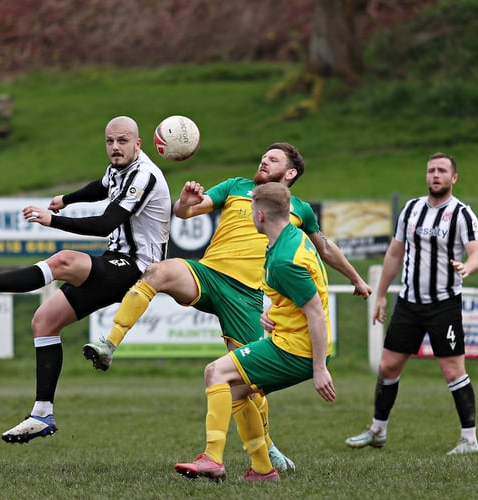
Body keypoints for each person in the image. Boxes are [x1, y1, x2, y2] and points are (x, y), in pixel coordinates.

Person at [82, 142, 370, 471]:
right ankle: (109, 344)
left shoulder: (297, 209)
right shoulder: (236, 186)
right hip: (209, 275)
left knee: (242, 384)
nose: (264, 161)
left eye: (273, 159)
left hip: (246, 298)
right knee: (158, 271)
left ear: (289, 173)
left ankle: (265, 454)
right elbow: (188, 210)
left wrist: (357, 279)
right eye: (263, 156)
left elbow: (326, 248)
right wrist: (186, 203)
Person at [0, 116, 171, 444]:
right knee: (44, 321)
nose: (115, 147)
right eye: (110, 141)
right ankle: (42, 414)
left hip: (140, 270)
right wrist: (68, 198)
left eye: (123, 141)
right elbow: (101, 185)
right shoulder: (118, 168)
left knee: (64, 260)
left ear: (138, 144)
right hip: (116, 262)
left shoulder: (144, 175)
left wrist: (53, 219)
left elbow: (105, 224)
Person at [174, 182, 335, 482]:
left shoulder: (286, 260)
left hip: (295, 350)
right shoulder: (291, 238)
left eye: (250, 211)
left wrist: (319, 368)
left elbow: (314, 311)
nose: (248, 216)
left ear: (260, 215)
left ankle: (212, 459)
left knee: (215, 373)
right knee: (234, 391)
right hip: (291, 341)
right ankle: (262, 470)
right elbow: (299, 298)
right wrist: (273, 312)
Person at [345, 152, 478, 455]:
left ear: (453, 178)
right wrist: (381, 294)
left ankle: (469, 439)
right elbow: (394, 254)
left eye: (442, 171)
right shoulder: (411, 209)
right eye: (431, 170)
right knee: (387, 366)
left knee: (453, 371)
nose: (435, 175)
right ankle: (377, 431)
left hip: (444, 304)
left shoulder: (462, 214)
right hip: (409, 303)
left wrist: (468, 267)